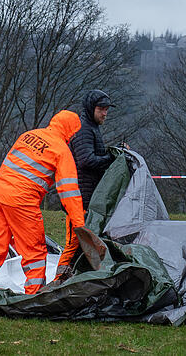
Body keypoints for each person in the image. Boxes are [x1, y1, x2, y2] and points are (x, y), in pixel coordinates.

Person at [0, 110, 84, 307]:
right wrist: (79, 223)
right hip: (22, 201)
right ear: (70, 131)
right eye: (75, 133)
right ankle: (33, 297)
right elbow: (69, 191)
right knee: (34, 251)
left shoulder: (29, 135)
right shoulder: (61, 150)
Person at [55, 90, 118, 272]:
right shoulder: (83, 129)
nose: (105, 113)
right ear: (91, 108)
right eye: (101, 109)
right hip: (79, 198)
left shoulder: (92, 128)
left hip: (88, 197)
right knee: (74, 244)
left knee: (85, 244)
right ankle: (57, 282)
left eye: (107, 109)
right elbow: (86, 160)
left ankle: (72, 280)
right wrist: (111, 157)